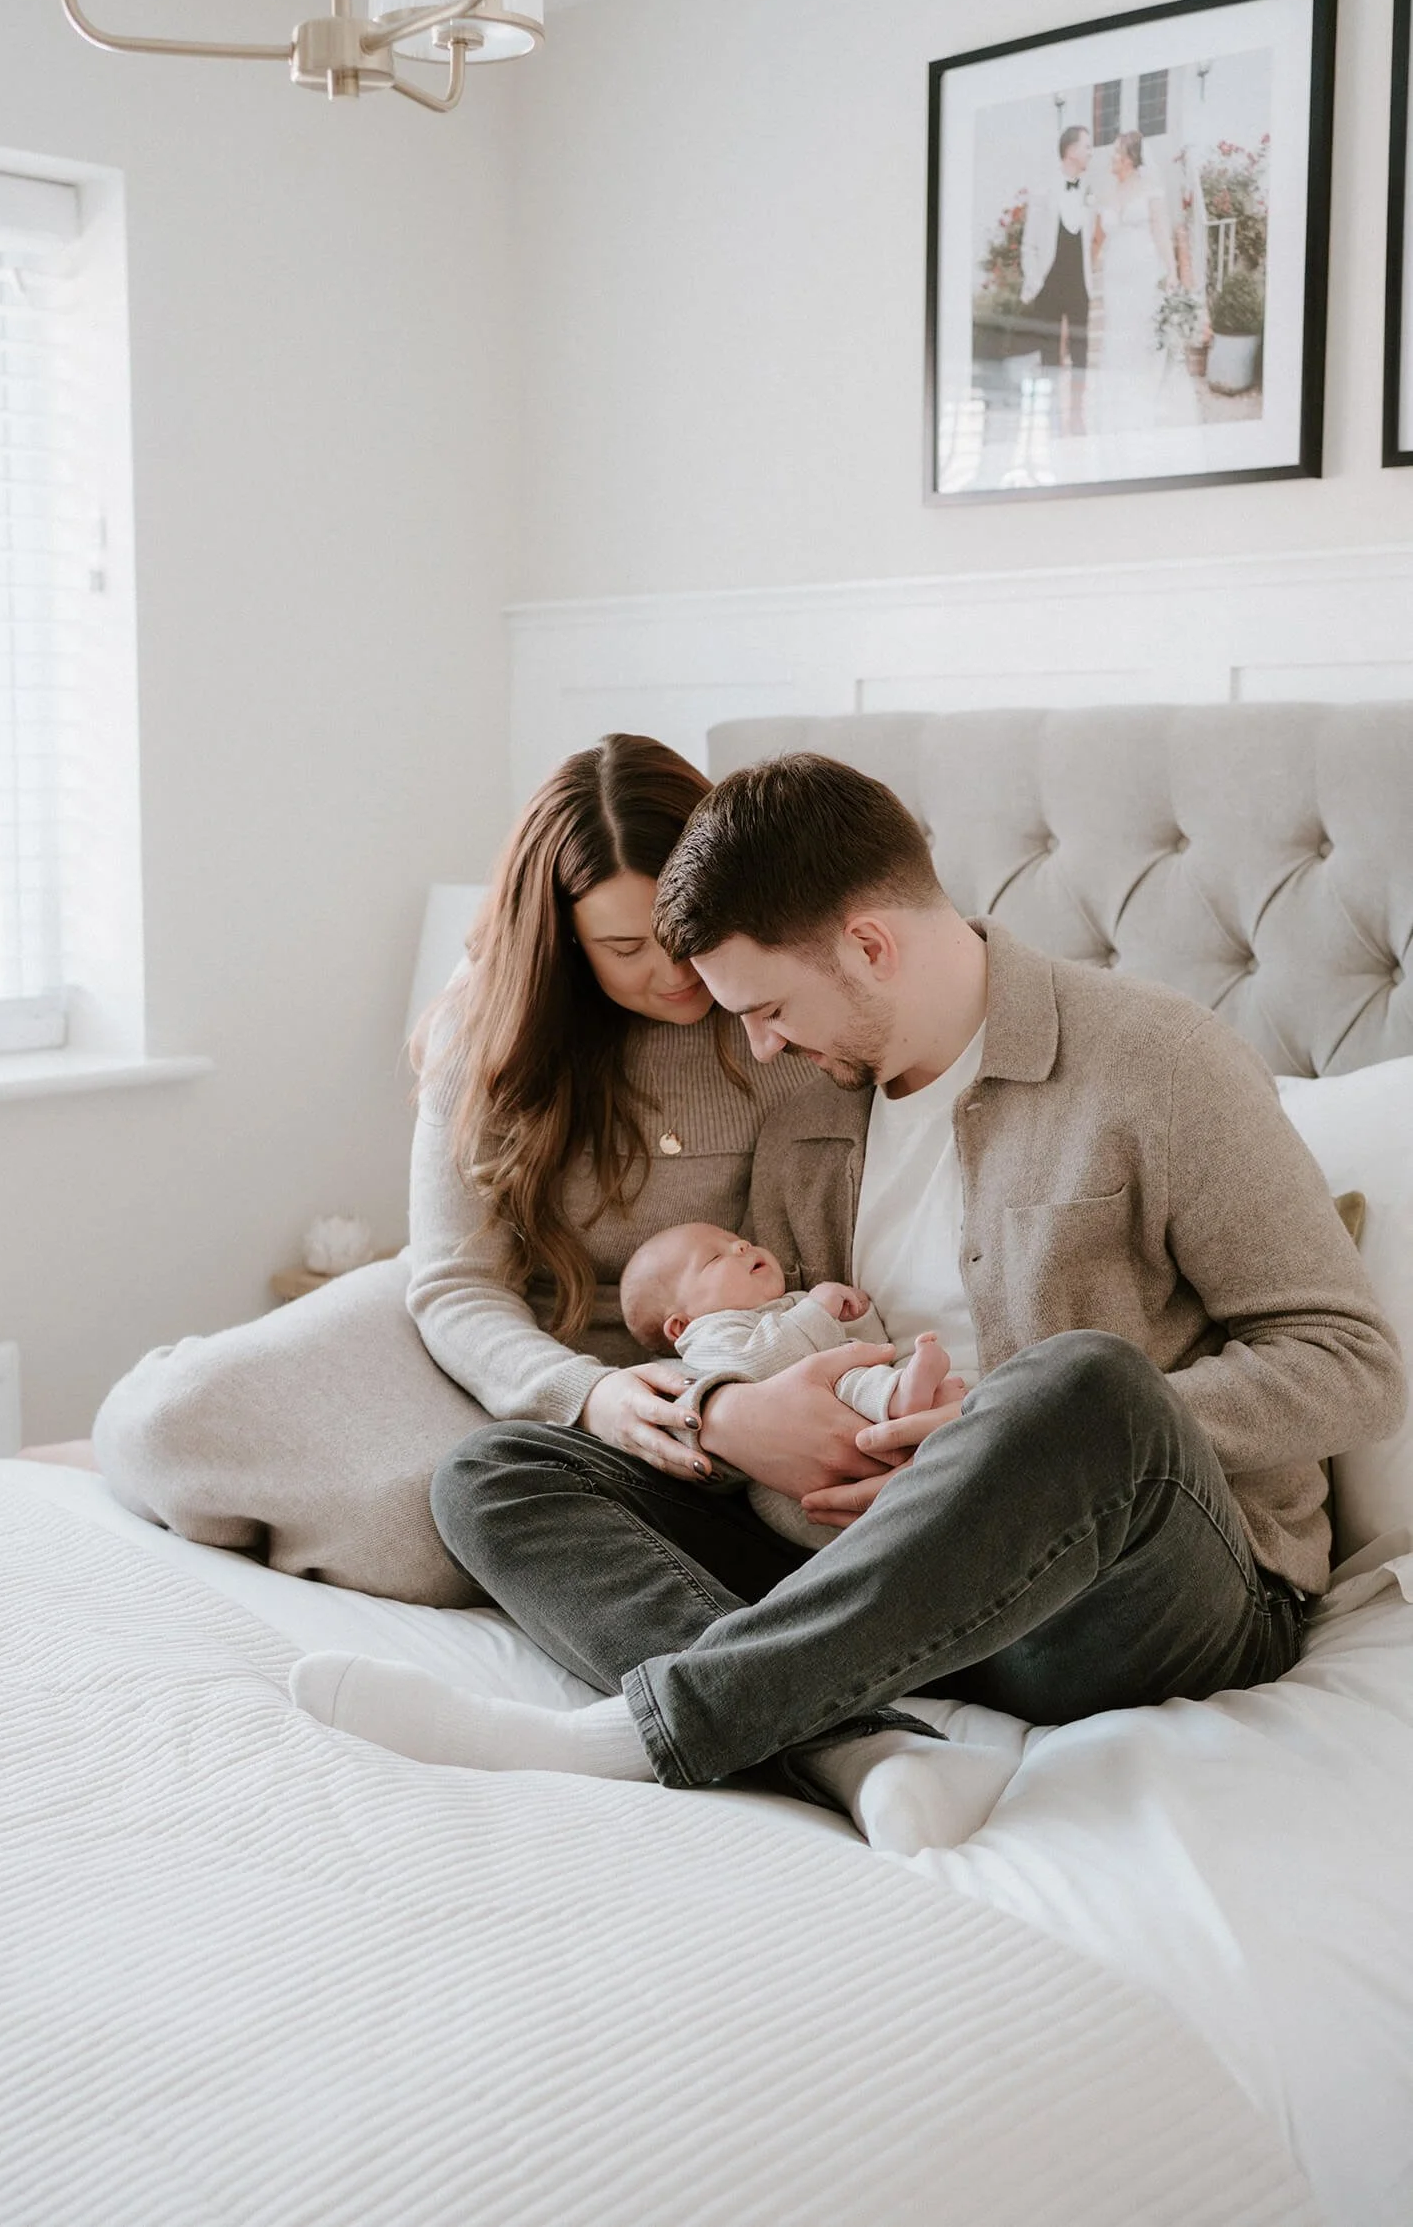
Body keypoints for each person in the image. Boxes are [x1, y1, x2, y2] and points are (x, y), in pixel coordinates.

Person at [290, 752, 1406, 1861]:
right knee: (497, 1475)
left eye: (769, 1008)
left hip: (1120, 1603)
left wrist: (995, 1435)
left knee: (1078, 1386)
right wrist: (736, 1411)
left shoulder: (1157, 1062)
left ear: (870, 946)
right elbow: (767, 1322)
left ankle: (645, 1731)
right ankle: (857, 1742)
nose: (758, 1046)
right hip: (867, 1577)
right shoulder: (816, 1101)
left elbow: (1353, 1362)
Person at [93, 735, 815, 1599]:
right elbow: (453, 1281)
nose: (670, 971)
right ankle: (124, 1443)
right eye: (624, 948)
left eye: (678, 931)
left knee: (424, 1535)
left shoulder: (776, 1020)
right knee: (167, 1422)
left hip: (667, 1377)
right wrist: (578, 1395)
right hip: (474, 1326)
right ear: (563, 938)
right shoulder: (486, 1020)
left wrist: (664, 1397)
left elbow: (789, 1280)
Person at [618, 1221, 962, 1549]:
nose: (741, 1245)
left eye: (738, 1240)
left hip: (850, 1422)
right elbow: (760, 1361)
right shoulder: (706, 1335)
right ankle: (904, 1398)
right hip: (794, 1481)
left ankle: (912, 1396)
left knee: (853, 1375)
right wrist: (818, 1311)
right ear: (680, 1325)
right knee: (844, 1384)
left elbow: (864, 1352)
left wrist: (858, 1319)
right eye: (715, 1257)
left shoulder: (791, 1305)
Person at [1090, 129, 1194, 432]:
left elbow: (1161, 232)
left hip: (1144, 269)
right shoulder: (1108, 193)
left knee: (1141, 330)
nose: (1111, 156)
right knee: (1117, 331)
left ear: (1130, 158)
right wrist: (1097, 260)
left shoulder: (1150, 188)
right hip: (1115, 274)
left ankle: (1143, 396)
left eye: (1116, 152)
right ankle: (1116, 398)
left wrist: (1172, 271)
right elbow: (1098, 236)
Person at [1019, 124, 1095, 429]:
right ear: (1071, 150)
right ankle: (1050, 418)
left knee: (1081, 351)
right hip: (1050, 284)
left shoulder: (1088, 190)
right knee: (1049, 352)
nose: (1091, 152)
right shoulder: (1044, 189)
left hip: (1079, 285)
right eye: (1087, 146)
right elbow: (1029, 244)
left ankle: (1076, 416)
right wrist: (1035, 281)